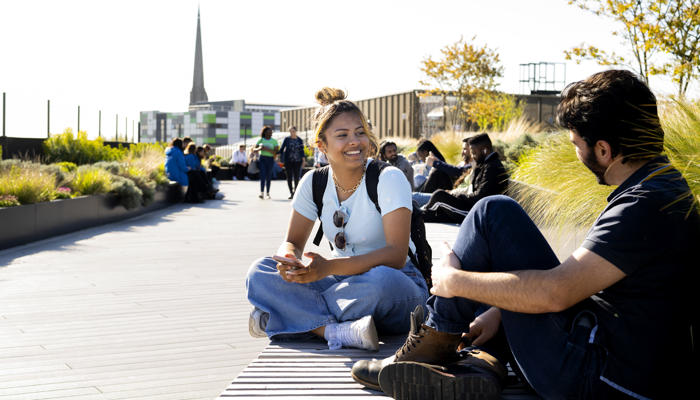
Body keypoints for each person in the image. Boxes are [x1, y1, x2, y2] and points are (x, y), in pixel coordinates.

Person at [352, 69, 700, 399]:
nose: (576, 152)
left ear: (605, 150)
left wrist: (454, 281)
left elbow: (556, 293)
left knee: (493, 214)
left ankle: (427, 351)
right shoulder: (661, 186)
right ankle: (481, 364)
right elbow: (588, 286)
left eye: (577, 144)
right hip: (620, 363)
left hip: (600, 380)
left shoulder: (645, 204)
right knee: (502, 284)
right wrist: (500, 313)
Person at [245, 87, 429, 352]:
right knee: (260, 272)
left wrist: (328, 268)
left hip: (399, 284)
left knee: (380, 282)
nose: (354, 141)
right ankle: (331, 330)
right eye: (342, 135)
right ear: (322, 145)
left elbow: (396, 256)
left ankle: (282, 317)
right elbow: (292, 242)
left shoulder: (388, 178)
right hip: (344, 284)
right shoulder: (313, 182)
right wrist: (288, 261)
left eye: (360, 132)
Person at [422, 133, 508, 223]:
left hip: (478, 213)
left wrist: (457, 196)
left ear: (485, 150)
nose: (473, 157)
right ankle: (419, 214)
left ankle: (420, 213)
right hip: (473, 208)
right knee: (434, 214)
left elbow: (479, 197)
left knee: (439, 195)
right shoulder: (486, 165)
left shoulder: (492, 168)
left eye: (474, 153)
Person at [412, 137, 472, 208]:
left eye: (465, 149)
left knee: (415, 197)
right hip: (447, 193)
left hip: (451, 196)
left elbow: (457, 172)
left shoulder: (473, 166)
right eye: (462, 149)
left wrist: (436, 163)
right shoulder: (462, 164)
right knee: (418, 179)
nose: (462, 152)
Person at [279, 126, 306, 199]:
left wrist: (303, 160)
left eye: (293, 131)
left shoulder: (299, 140)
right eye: (290, 131)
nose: (292, 133)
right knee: (289, 177)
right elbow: (282, 149)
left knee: (297, 177)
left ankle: (295, 192)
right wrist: (277, 156)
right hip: (288, 161)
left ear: (296, 131)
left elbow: (301, 151)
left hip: (298, 161)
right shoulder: (287, 139)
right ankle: (291, 193)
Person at [253, 126, 279, 199]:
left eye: (271, 132)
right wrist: (260, 148)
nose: (271, 133)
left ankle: (268, 193)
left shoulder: (274, 141)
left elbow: (276, 152)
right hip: (262, 159)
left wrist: (266, 149)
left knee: (268, 176)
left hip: (270, 159)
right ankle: (261, 193)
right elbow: (254, 149)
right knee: (262, 176)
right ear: (265, 132)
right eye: (269, 131)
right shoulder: (261, 140)